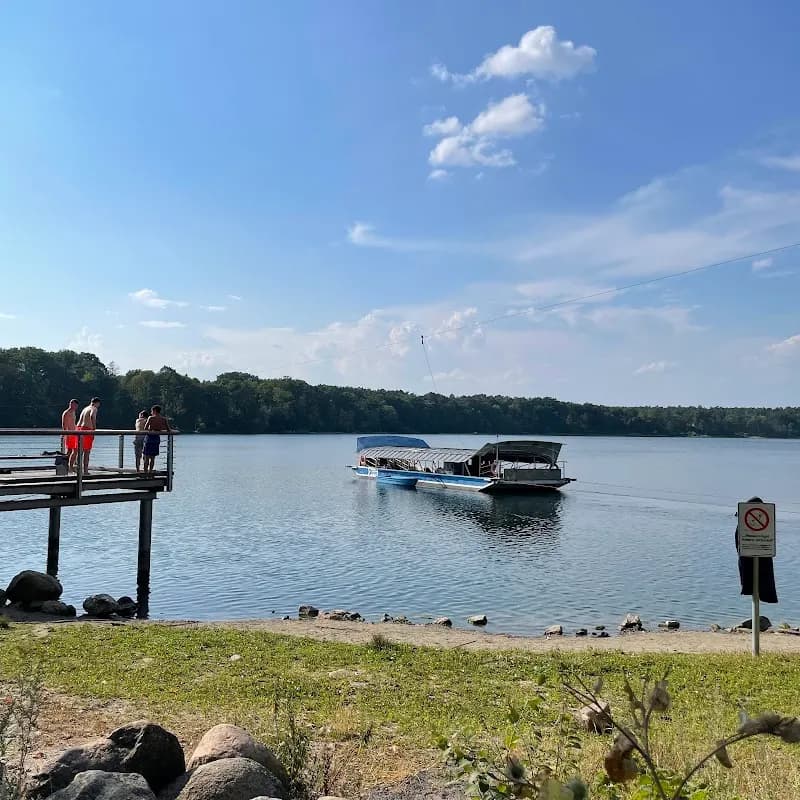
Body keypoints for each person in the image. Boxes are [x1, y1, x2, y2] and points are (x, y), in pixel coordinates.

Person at [142, 405, 171, 472]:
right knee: (152, 458)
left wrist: (151, 429)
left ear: (154, 411)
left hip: (149, 438)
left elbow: (145, 428)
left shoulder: (151, 418)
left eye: (152, 411)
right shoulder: (163, 419)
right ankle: (150, 472)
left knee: (146, 457)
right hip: (156, 438)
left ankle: (145, 473)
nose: (151, 412)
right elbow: (168, 429)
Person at [76, 397, 100, 474]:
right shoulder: (94, 408)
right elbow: (92, 416)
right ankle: (85, 471)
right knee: (87, 451)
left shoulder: (85, 408)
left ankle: (78, 470)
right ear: (97, 403)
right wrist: (94, 428)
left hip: (79, 429)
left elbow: (79, 420)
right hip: (87, 430)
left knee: (80, 451)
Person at [61, 399, 79, 471]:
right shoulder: (66, 412)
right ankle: (66, 467)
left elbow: (73, 423)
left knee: (75, 450)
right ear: (71, 404)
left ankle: (70, 466)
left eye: (76, 405)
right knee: (69, 451)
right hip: (69, 434)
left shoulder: (73, 412)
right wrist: (65, 434)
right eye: (74, 404)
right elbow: (64, 424)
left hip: (74, 434)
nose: (75, 406)